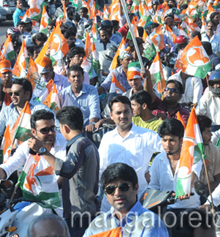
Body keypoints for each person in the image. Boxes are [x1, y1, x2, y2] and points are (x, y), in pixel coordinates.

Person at [27, 106, 99, 237]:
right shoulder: (86, 143)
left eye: (57, 128)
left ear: (65, 128)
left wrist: (42, 151)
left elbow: (67, 170)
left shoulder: (80, 144)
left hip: (80, 214)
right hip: (81, 212)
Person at [149, 118, 214, 236]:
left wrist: (186, 187)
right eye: (164, 140)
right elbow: (153, 187)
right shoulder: (157, 160)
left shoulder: (193, 157)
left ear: (181, 140)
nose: (167, 145)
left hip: (191, 211)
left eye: (172, 140)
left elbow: (193, 176)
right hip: (167, 212)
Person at [98, 96, 161, 211]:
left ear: (132, 112)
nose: (123, 116)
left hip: (139, 200)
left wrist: (153, 176)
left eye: (126, 111)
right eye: (118, 113)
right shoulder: (107, 138)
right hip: (112, 201)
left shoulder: (147, 136)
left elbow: (169, 153)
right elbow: (101, 169)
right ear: (111, 116)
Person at [84, 163, 168, 236]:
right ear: (105, 194)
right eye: (110, 189)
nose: (117, 193)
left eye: (123, 187)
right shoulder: (98, 224)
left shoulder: (150, 223)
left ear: (136, 188)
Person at [0, 78, 53, 147]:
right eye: (11, 93)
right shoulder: (7, 111)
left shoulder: (41, 109)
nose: (13, 96)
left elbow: (55, 130)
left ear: (27, 94)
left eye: (16, 93)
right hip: (11, 153)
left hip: (34, 153)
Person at [60, 65, 100, 132]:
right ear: (68, 79)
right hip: (69, 130)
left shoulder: (91, 90)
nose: (76, 79)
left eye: (79, 76)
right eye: (73, 77)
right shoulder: (63, 94)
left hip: (88, 128)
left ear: (83, 77)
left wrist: (92, 123)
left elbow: (95, 109)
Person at [197, 115, 220, 191]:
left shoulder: (214, 149)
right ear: (198, 133)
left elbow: (218, 180)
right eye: (208, 131)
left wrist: (204, 191)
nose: (211, 134)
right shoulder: (187, 151)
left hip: (209, 192)